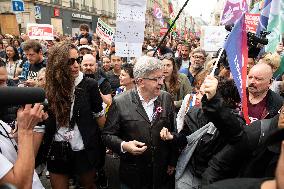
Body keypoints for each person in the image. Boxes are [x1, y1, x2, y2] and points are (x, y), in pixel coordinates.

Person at [102, 56, 177, 189]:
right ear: (141, 81)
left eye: (162, 77)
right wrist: (124, 145)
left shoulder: (166, 98)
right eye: (156, 79)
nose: (161, 82)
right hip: (133, 175)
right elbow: (107, 136)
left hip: (161, 174)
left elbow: (173, 131)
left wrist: (172, 161)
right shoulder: (120, 102)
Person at [44, 42, 106, 189]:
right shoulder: (51, 86)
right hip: (58, 148)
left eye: (77, 60)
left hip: (84, 147)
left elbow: (99, 116)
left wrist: (110, 139)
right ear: (58, 65)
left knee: (88, 186)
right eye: (70, 61)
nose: (76, 65)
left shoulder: (89, 85)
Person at [0, 103, 47, 189]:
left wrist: (31, 121)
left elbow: (23, 150)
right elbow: (21, 186)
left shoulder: (1, 124)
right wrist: (25, 130)